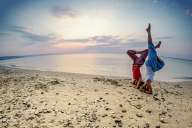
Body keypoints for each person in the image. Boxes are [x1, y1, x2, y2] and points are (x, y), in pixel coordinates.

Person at [140, 23, 165, 94]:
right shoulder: (148, 81)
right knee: (150, 46)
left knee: (150, 49)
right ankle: (149, 32)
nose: (145, 85)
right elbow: (150, 92)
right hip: (151, 64)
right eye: (146, 86)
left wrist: (143, 89)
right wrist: (146, 90)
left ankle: (156, 46)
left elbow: (146, 88)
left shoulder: (148, 81)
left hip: (151, 65)